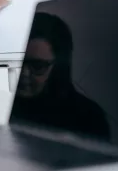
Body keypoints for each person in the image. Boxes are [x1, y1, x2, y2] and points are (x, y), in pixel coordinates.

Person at [11, 12, 110, 140]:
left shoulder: (89, 117)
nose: (23, 73)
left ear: (58, 68)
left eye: (38, 66)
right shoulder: (1, 99)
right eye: (18, 62)